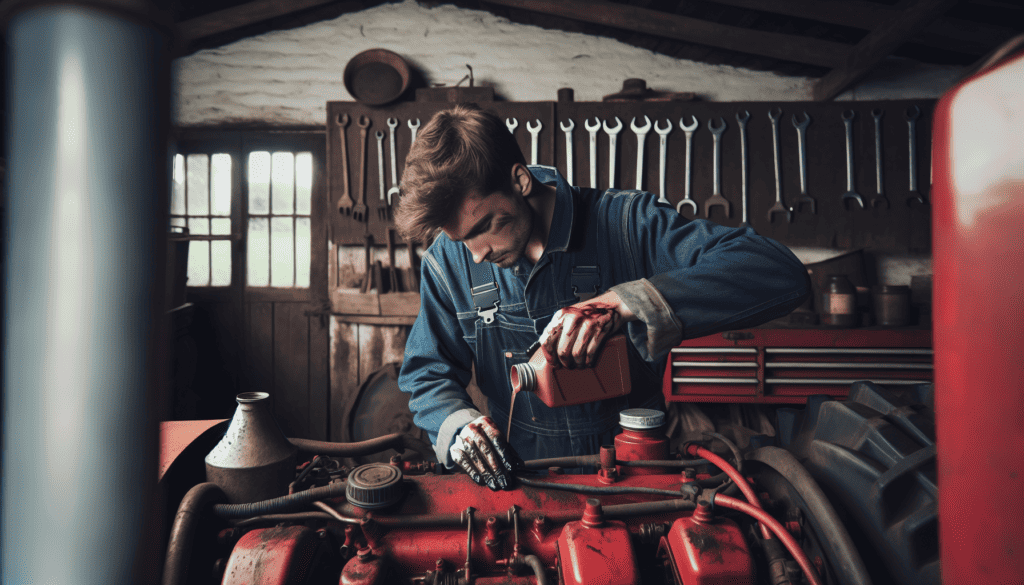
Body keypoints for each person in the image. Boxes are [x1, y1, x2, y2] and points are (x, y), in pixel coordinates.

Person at [394, 104, 809, 490]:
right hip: (522, 484)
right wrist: (457, 424)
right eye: (460, 239)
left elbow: (779, 272)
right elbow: (427, 374)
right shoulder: (448, 262)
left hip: (635, 480)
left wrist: (625, 301)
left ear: (520, 181)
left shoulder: (629, 225)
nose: (477, 254)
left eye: (483, 226)